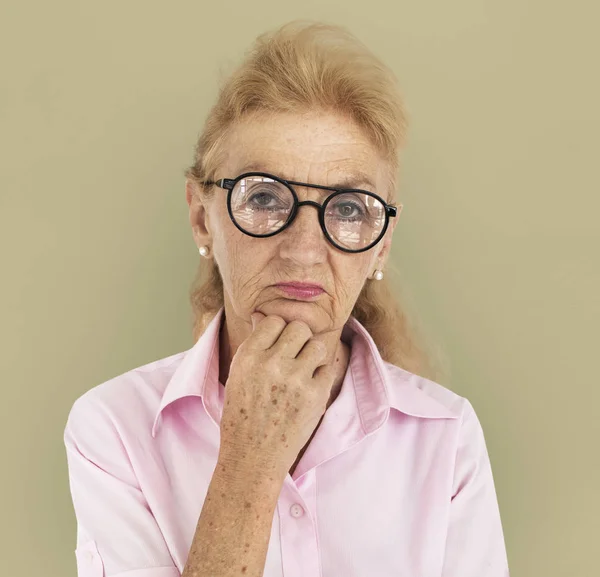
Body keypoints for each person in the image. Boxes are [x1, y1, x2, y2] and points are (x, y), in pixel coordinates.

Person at [64, 20, 510, 577]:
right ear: (203, 218)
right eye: (265, 198)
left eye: (349, 208)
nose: (303, 252)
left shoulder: (447, 438)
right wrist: (250, 461)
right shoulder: (113, 430)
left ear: (380, 246)